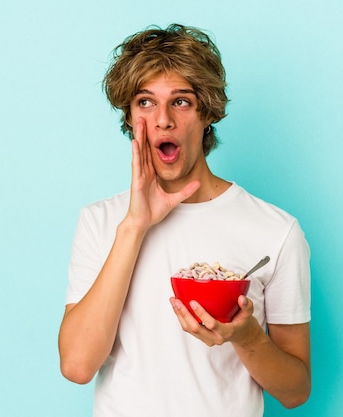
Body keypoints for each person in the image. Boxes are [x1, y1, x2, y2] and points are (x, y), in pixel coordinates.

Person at [58, 24, 311, 417]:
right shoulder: (102, 221)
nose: (162, 120)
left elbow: (296, 391)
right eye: (145, 102)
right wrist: (134, 227)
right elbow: (77, 366)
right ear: (129, 115)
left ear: (207, 113)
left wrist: (246, 338)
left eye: (181, 102)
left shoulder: (276, 230)